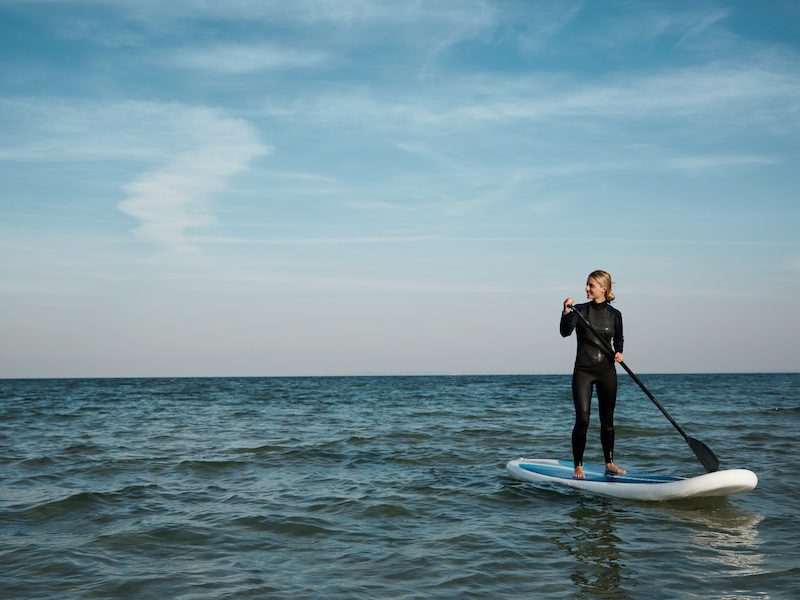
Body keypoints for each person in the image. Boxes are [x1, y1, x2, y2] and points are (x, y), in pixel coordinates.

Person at [560, 270, 625, 479]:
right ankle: (578, 465)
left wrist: (619, 352)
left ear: (603, 288)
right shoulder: (579, 311)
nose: (587, 288)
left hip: (607, 372)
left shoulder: (616, 315)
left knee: (607, 420)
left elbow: (619, 340)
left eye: (591, 285)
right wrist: (565, 312)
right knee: (583, 419)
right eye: (587, 285)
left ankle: (610, 463)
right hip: (583, 372)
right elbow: (565, 332)